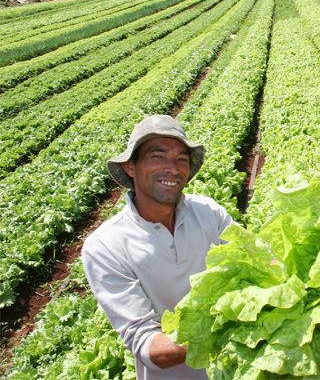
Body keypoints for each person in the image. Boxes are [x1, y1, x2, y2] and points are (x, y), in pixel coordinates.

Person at [82, 115, 235, 379]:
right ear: (131, 166)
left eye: (181, 159)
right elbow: (147, 344)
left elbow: (259, 263)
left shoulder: (210, 212)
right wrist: (229, 331)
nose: (173, 169)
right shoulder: (106, 246)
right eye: (158, 157)